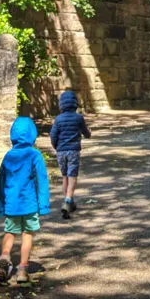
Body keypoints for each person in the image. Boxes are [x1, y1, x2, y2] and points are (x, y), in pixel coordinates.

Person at [0, 116, 50, 284]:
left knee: (10, 232)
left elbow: (0, 183)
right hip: (29, 204)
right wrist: (44, 205)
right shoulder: (35, 155)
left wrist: (0, 205)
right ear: (32, 134)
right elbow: (42, 181)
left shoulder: (8, 156)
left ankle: (4, 256)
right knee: (27, 234)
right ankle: (23, 270)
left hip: (12, 205)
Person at [49, 89, 92, 218]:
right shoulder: (78, 118)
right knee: (72, 176)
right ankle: (67, 200)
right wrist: (89, 133)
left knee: (65, 176)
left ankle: (69, 201)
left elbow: (53, 135)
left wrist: (56, 147)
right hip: (73, 150)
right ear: (75, 103)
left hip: (61, 151)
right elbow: (86, 133)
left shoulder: (58, 119)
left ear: (61, 104)